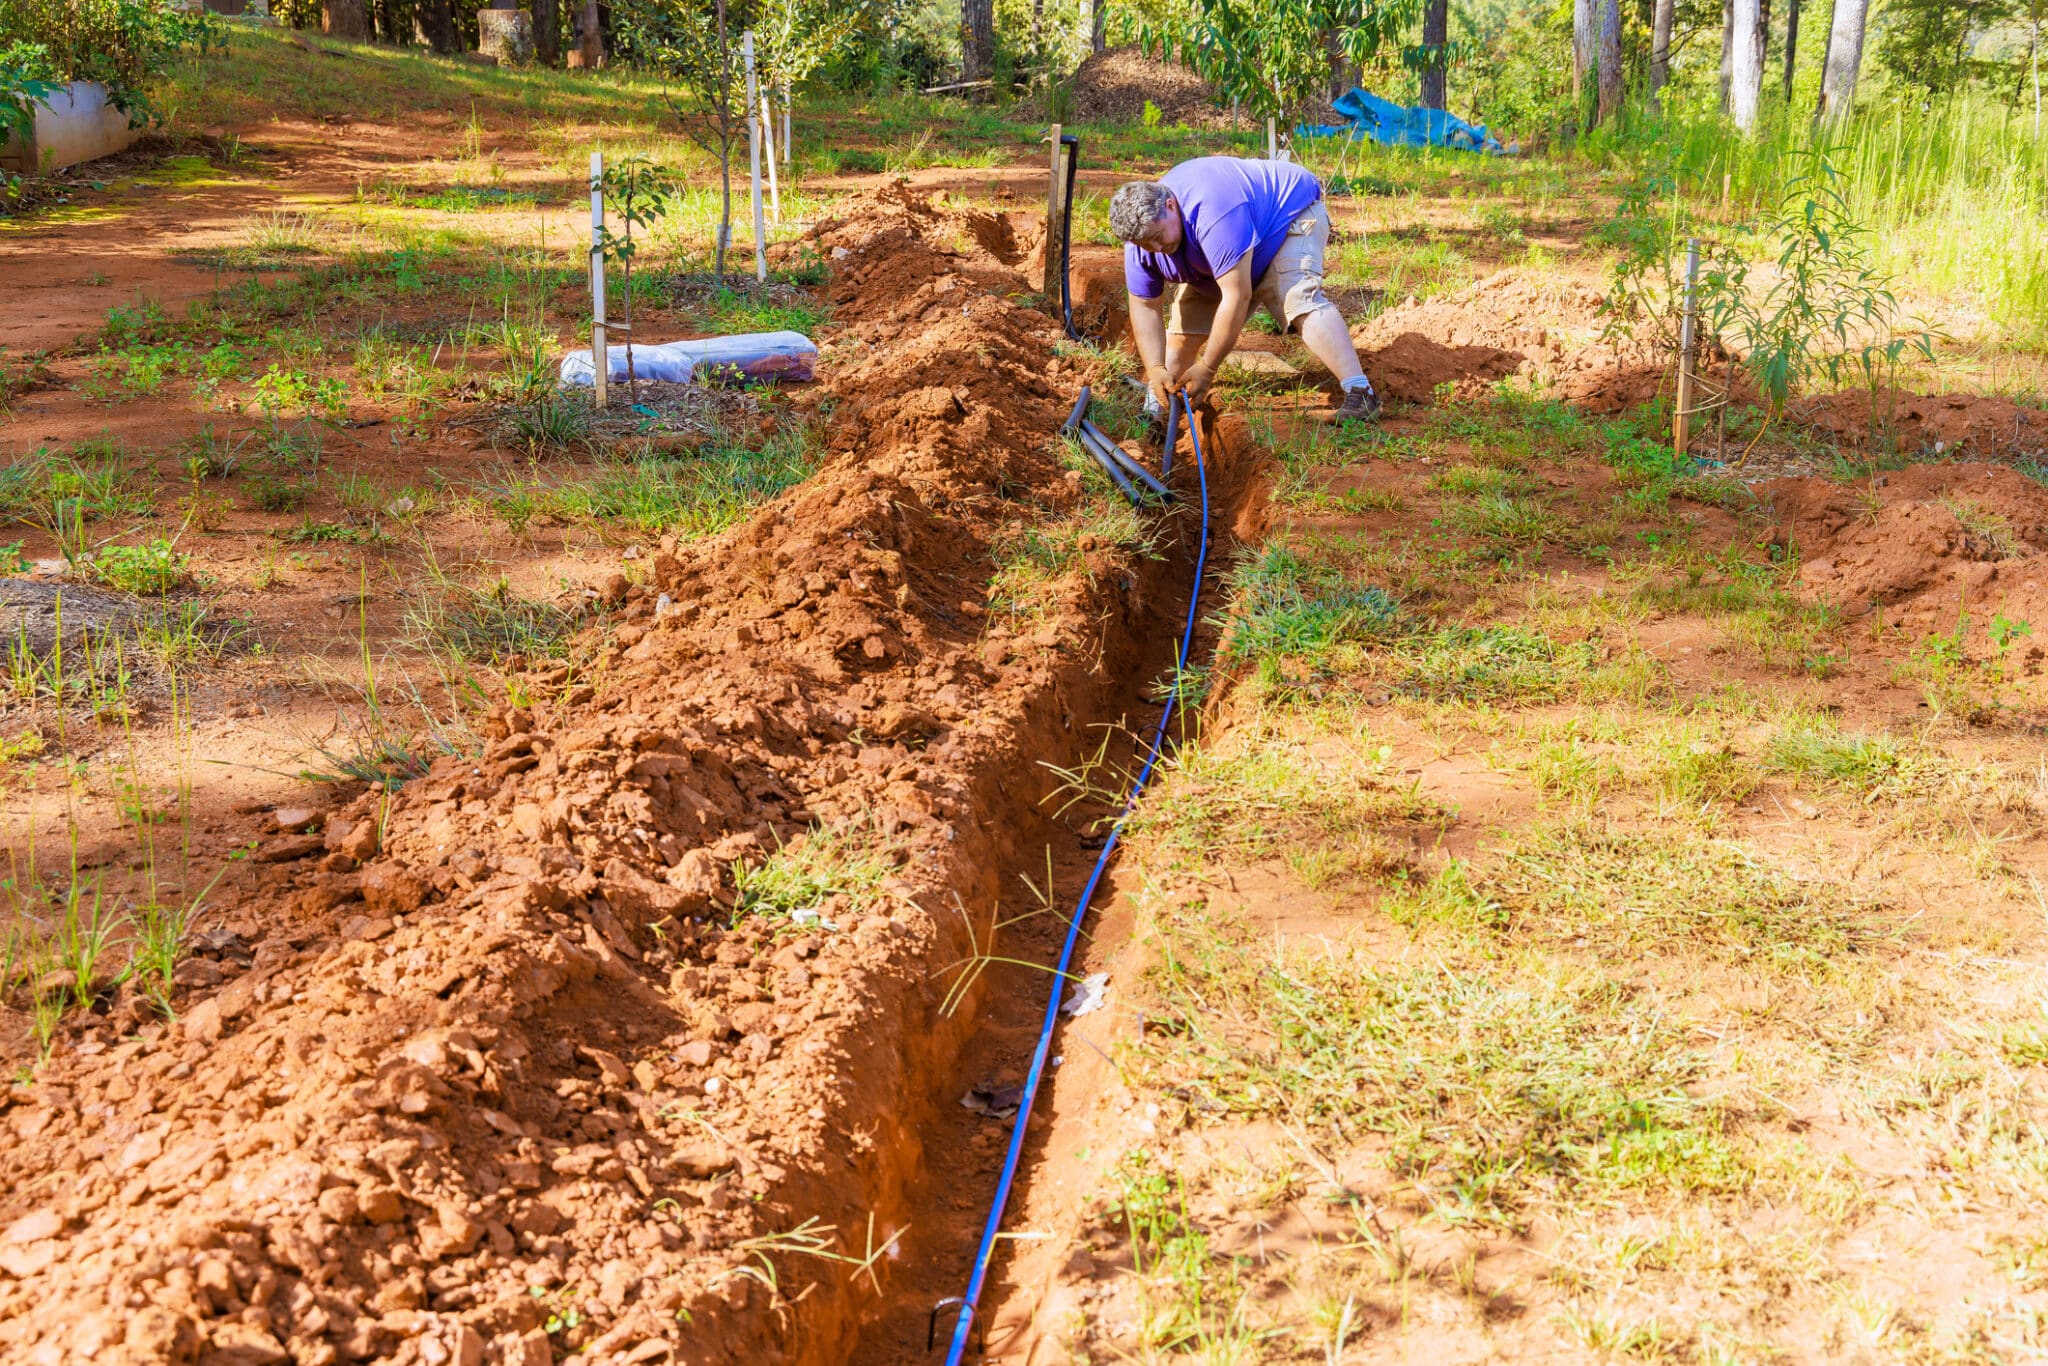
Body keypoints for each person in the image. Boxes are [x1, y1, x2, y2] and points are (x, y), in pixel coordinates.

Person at [1109, 157, 1380, 424]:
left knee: (1297, 298)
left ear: (1170, 205)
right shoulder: (1142, 244)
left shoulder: (1214, 211)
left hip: (1285, 221)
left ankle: (1360, 393)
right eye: (1145, 244)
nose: (1156, 250)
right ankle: (1155, 411)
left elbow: (1237, 296)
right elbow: (1145, 306)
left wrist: (1208, 367)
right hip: (1221, 254)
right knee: (1183, 334)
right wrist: (1155, 368)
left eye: (1157, 238)